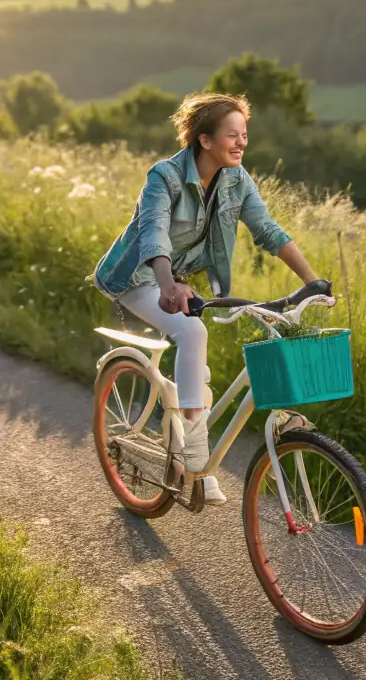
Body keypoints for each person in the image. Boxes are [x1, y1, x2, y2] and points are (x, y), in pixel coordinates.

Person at [93, 92, 322, 506]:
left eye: (245, 135)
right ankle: (193, 452)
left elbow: (267, 230)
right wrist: (167, 285)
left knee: (202, 372)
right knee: (193, 333)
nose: (240, 143)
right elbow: (154, 235)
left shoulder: (236, 180)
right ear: (204, 139)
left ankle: (196, 464)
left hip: (175, 280)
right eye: (232, 135)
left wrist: (312, 281)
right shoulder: (163, 177)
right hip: (137, 276)